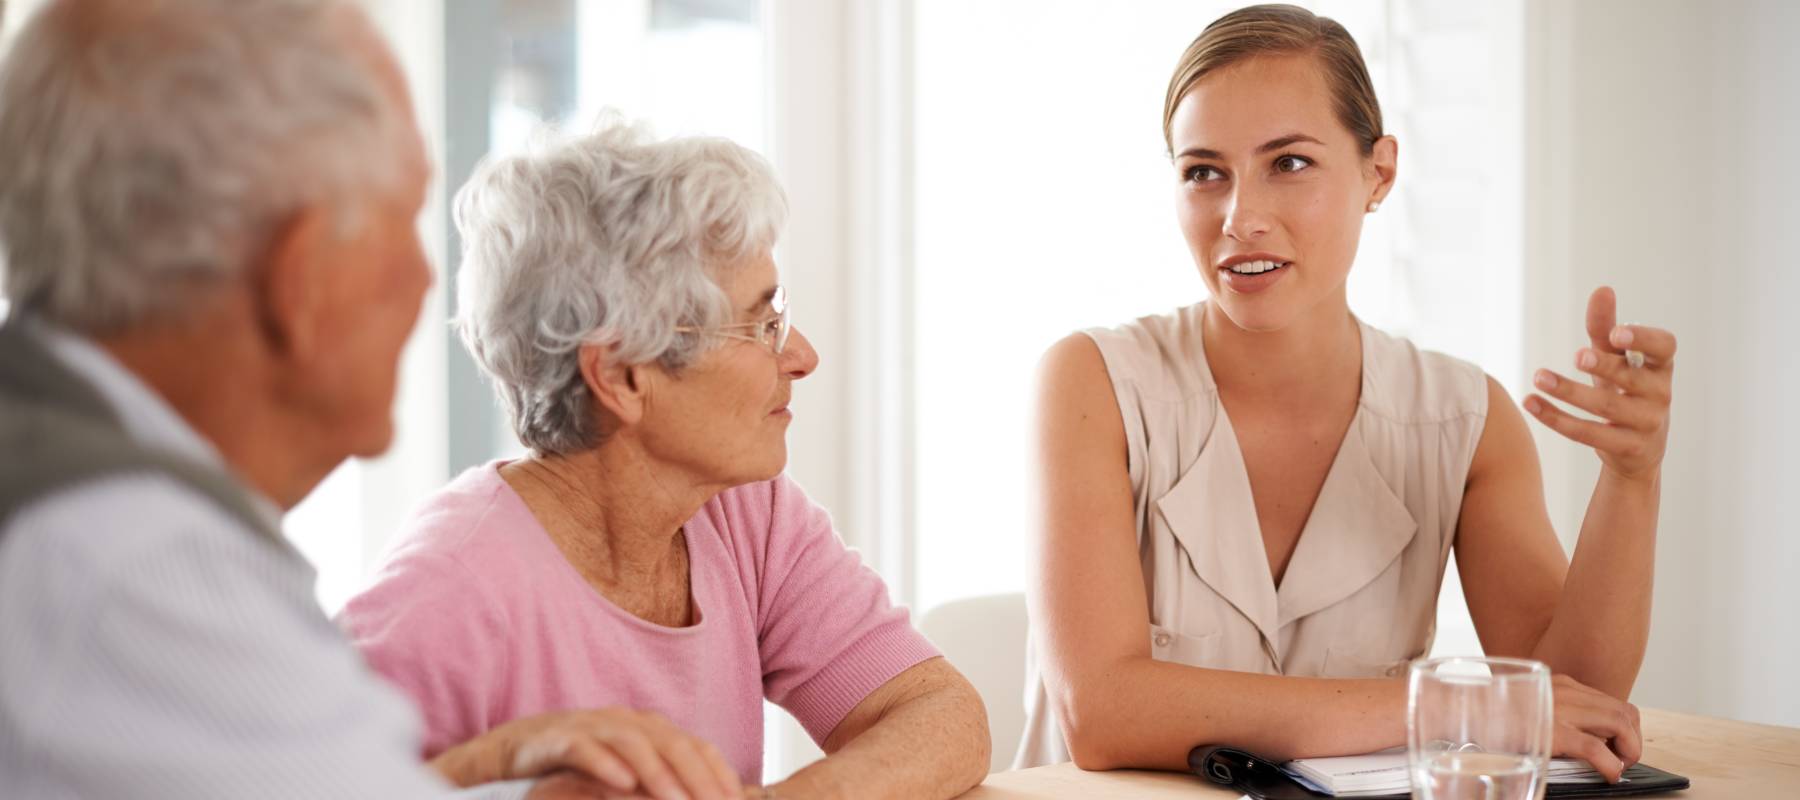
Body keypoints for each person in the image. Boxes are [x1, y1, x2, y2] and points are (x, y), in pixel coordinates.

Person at [0, 1, 660, 797]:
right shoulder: (139, 565)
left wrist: (500, 772)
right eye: (408, 217)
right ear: (305, 278)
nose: (426, 280)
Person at [1017, 4, 1675, 783]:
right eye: (1204, 172)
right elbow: (1103, 712)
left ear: (1379, 173)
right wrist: (1438, 708)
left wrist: (1632, 480)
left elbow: (1572, 709)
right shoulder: (1091, 383)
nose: (1240, 217)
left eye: (1288, 163)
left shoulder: (1463, 420)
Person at [338, 121, 991, 800]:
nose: (802, 355)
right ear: (620, 376)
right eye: (761, 325)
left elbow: (942, 717)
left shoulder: (744, 512)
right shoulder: (447, 591)